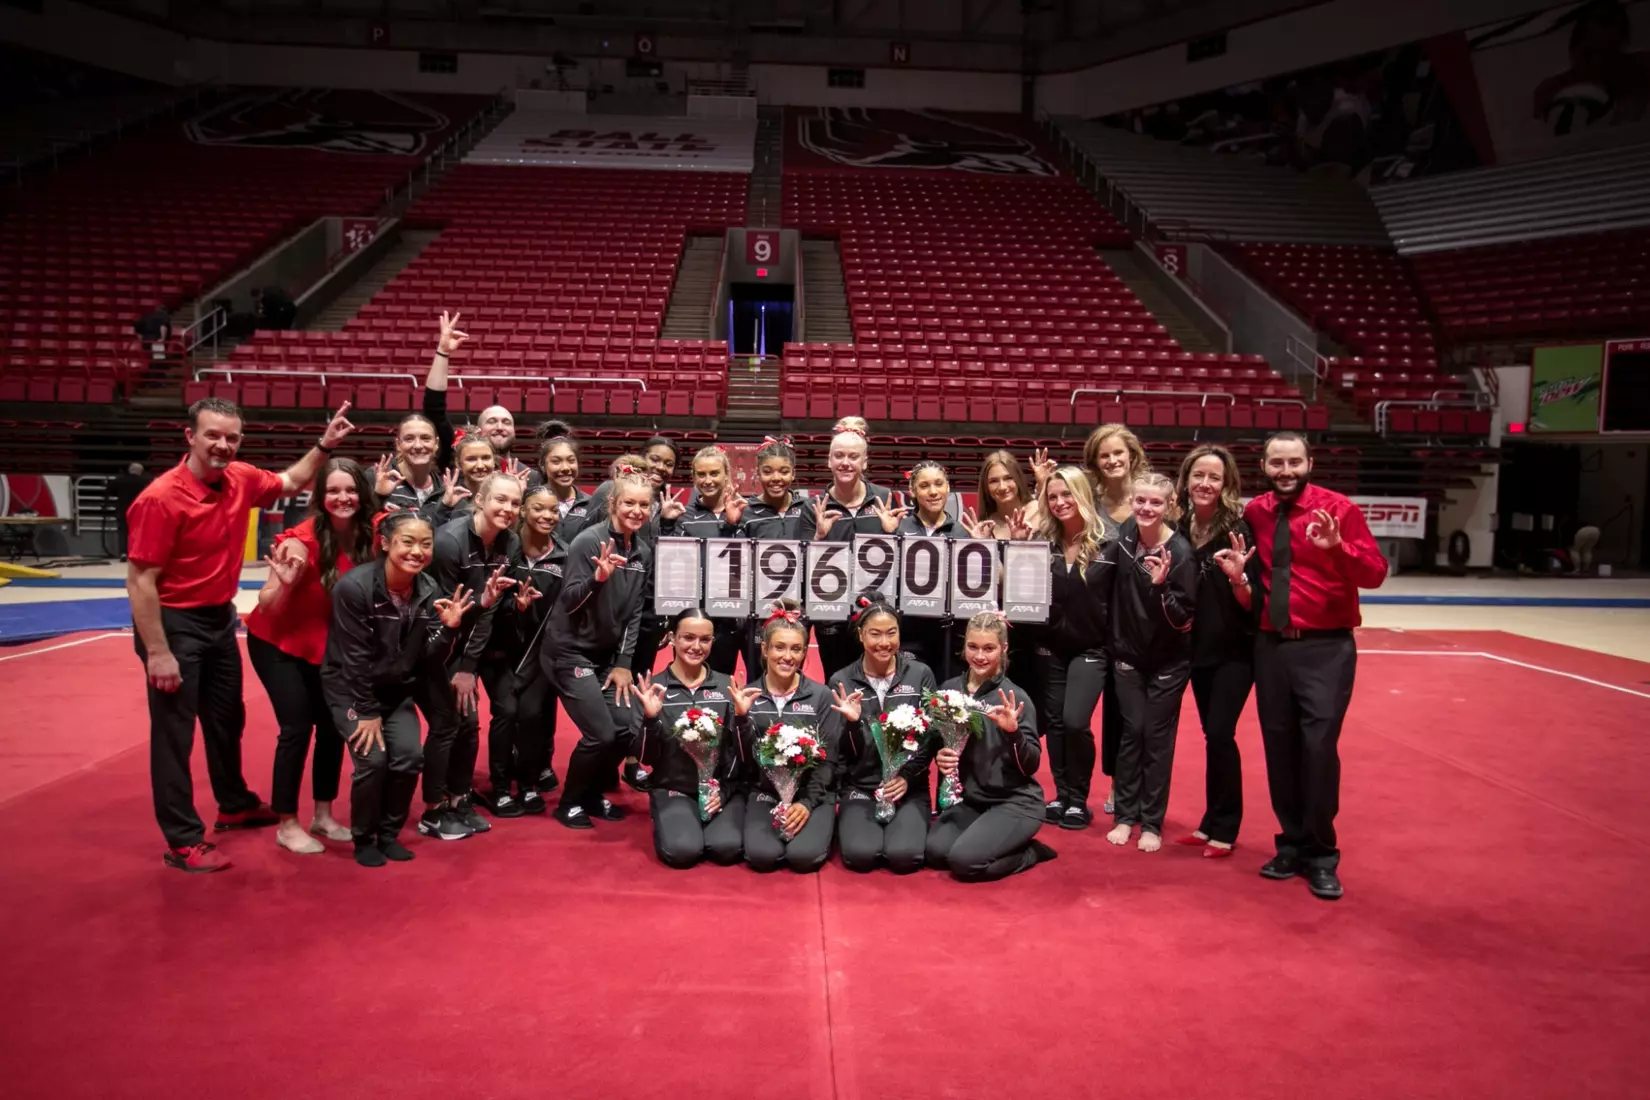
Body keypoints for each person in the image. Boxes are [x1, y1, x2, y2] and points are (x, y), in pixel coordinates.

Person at [126, 397, 355, 872]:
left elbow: (291, 481)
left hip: (219, 619)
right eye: (213, 435)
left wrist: (323, 445)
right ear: (190, 436)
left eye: (232, 437)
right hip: (172, 623)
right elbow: (141, 580)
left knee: (227, 719)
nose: (223, 445)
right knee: (174, 733)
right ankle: (182, 839)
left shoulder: (241, 478)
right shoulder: (160, 498)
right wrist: (157, 652)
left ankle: (233, 802)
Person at [1246, 432, 1387, 900]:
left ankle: (1322, 854)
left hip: (1326, 649)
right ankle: (1290, 844)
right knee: (1279, 750)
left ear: (1310, 463)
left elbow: (1375, 575)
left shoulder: (1339, 510)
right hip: (1271, 647)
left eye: (1294, 463)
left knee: (1318, 749)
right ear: (1264, 465)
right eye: (1276, 463)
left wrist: (1335, 548)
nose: (1286, 471)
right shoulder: (1257, 512)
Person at [321, 511, 470, 868]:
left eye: (425, 543)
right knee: (373, 761)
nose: (417, 551)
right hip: (351, 689)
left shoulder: (428, 588)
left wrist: (448, 630)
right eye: (408, 542)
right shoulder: (354, 588)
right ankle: (363, 838)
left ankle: (387, 835)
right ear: (386, 544)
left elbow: (427, 658)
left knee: (409, 758)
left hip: (394, 688)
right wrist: (367, 711)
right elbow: (354, 660)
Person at [244, 457, 375, 854]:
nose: (343, 497)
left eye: (350, 490)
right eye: (333, 491)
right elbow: (267, 607)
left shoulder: (370, 535)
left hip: (327, 648)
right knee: (297, 728)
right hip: (280, 644)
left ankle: (323, 814)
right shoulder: (301, 541)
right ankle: (287, 822)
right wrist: (284, 585)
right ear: (320, 497)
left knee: (333, 729)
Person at [544, 465, 656, 829]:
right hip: (569, 652)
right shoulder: (588, 542)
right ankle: (570, 802)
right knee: (601, 733)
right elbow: (569, 602)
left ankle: (592, 794)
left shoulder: (643, 552)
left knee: (625, 728)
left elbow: (635, 610)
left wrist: (624, 662)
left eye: (644, 505)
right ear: (613, 502)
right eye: (629, 503)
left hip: (607, 658)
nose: (636, 511)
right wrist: (597, 579)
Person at [424, 472, 523, 839]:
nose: (508, 509)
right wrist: (462, 668)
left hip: (472, 642)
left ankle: (460, 798)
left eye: (514, 503)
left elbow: (489, 609)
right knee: (453, 723)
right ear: (480, 500)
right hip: (440, 640)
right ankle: (434, 808)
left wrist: (470, 663)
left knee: (468, 725)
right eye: (500, 500)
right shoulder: (449, 542)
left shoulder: (509, 542)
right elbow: (450, 612)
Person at [1174, 445, 1261, 858]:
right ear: (1187, 479)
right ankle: (1211, 822)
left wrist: (1239, 580)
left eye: (1214, 477)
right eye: (1199, 475)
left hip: (1233, 651)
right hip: (1194, 650)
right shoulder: (1179, 525)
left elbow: (1252, 602)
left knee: (1222, 734)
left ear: (1226, 484)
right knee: (1213, 736)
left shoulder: (1239, 529)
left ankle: (1226, 827)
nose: (1205, 484)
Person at [1104, 473, 1198, 853]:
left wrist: (1160, 587)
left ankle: (1152, 822)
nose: (1146, 508)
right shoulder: (1126, 535)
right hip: (1128, 658)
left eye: (1155, 503)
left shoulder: (1181, 553)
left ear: (1170, 505)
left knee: (1156, 740)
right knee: (1132, 733)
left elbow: (1184, 619)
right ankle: (1125, 816)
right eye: (1140, 500)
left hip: (1168, 663)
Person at [927, 612, 1057, 881]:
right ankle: (990, 838)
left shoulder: (1014, 698)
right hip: (973, 801)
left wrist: (1013, 733)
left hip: (1014, 802)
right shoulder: (949, 690)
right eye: (973, 647)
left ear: (1004, 648)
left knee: (965, 863)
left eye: (989, 648)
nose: (980, 656)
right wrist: (940, 755)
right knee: (936, 853)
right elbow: (940, 744)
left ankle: (1031, 852)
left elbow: (1030, 764)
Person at [826, 591, 937, 874]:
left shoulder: (920, 673)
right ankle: (852, 826)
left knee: (905, 857)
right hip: (860, 788)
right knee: (861, 856)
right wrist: (851, 724)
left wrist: (908, 777)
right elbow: (841, 751)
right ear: (861, 635)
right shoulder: (841, 680)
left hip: (908, 788)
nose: (884, 643)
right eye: (875, 634)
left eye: (892, 633)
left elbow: (931, 735)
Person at [631, 609, 748, 868]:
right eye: (688, 638)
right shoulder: (654, 689)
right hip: (675, 789)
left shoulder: (726, 686)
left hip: (719, 789)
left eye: (705, 640)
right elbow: (645, 758)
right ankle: (668, 815)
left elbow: (737, 753)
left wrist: (725, 791)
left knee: (726, 849)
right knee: (683, 853)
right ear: (672, 638)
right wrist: (650, 720)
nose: (696, 647)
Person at [1032, 466, 1113, 832]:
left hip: (1092, 649)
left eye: (1067, 494)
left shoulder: (1109, 543)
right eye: (1053, 496)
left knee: (1075, 722)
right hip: (1050, 649)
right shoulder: (1041, 542)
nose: (1060, 502)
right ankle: (1061, 796)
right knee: (1055, 725)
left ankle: (1079, 799)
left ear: (1082, 495)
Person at [731, 600, 836, 873]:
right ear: (764, 650)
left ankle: (825, 824)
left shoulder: (821, 696)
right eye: (779, 647)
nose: (787, 657)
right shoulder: (749, 696)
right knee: (762, 857)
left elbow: (829, 760)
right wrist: (741, 719)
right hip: (765, 793)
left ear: (804, 653)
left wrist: (807, 803)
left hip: (811, 794)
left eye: (796, 649)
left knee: (804, 858)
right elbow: (744, 762)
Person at [801, 423, 896, 677]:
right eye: (839, 456)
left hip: (875, 613)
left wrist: (893, 533)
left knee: (878, 679)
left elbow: (900, 557)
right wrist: (819, 537)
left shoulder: (883, 499)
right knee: (837, 681)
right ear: (829, 461)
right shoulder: (813, 507)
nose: (846, 462)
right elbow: (801, 565)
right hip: (831, 614)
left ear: (864, 462)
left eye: (853, 457)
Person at [497, 484, 567, 811]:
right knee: (505, 715)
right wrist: (516, 608)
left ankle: (527, 783)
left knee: (532, 715)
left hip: (540, 654)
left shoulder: (564, 556)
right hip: (502, 651)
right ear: (523, 510)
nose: (547, 516)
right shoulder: (504, 552)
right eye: (538, 508)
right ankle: (499, 784)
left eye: (553, 510)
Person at [665, 445, 750, 676]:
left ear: (726, 474)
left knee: (721, 683)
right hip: (695, 617)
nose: (708, 480)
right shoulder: (684, 515)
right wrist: (664, 524)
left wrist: (732, 526)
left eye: (714, 473)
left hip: (730, 619)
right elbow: (670, 566)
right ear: (693, 477)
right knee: (688, 679)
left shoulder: (745, 512)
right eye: (701, 474)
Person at [735, 435, 810, 678]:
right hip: (758, 612)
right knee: (759, 675)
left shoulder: (808, 509)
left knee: (791, 671)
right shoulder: (747, 512)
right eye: (768, 471)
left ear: (793, 473)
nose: (776, 478)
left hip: (799, 609)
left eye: (784, 471)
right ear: (758, 473)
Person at [895, 460, 962, 680]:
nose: (933, 492)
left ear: (948, 487)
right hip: (909, 633)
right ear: (912, 491)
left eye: (938, 484)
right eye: (924, 486)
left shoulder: (963, 533)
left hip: (947, 636)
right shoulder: (899, 528)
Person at [535, 421, 594, 538]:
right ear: (542, 466)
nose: (565, 468)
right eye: (556, 461)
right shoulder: (531, 502)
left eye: (571, 460)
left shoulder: (591, 504)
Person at [963, 451, 1033, 540]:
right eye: (994, 481)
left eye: (1008, 478)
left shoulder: (1041, 512)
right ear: (986, 487)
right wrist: (981, 545)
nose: (1002, 487)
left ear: (1018, 479)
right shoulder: (986, 528)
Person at [111, 461, 150, 561]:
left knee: (123, 532)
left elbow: (110, 491)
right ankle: (137, 553)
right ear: (140, 471)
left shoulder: (120, 480)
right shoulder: (145, 481)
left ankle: (123, 553)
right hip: (139, 510)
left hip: (123, 508)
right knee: (139, 532)